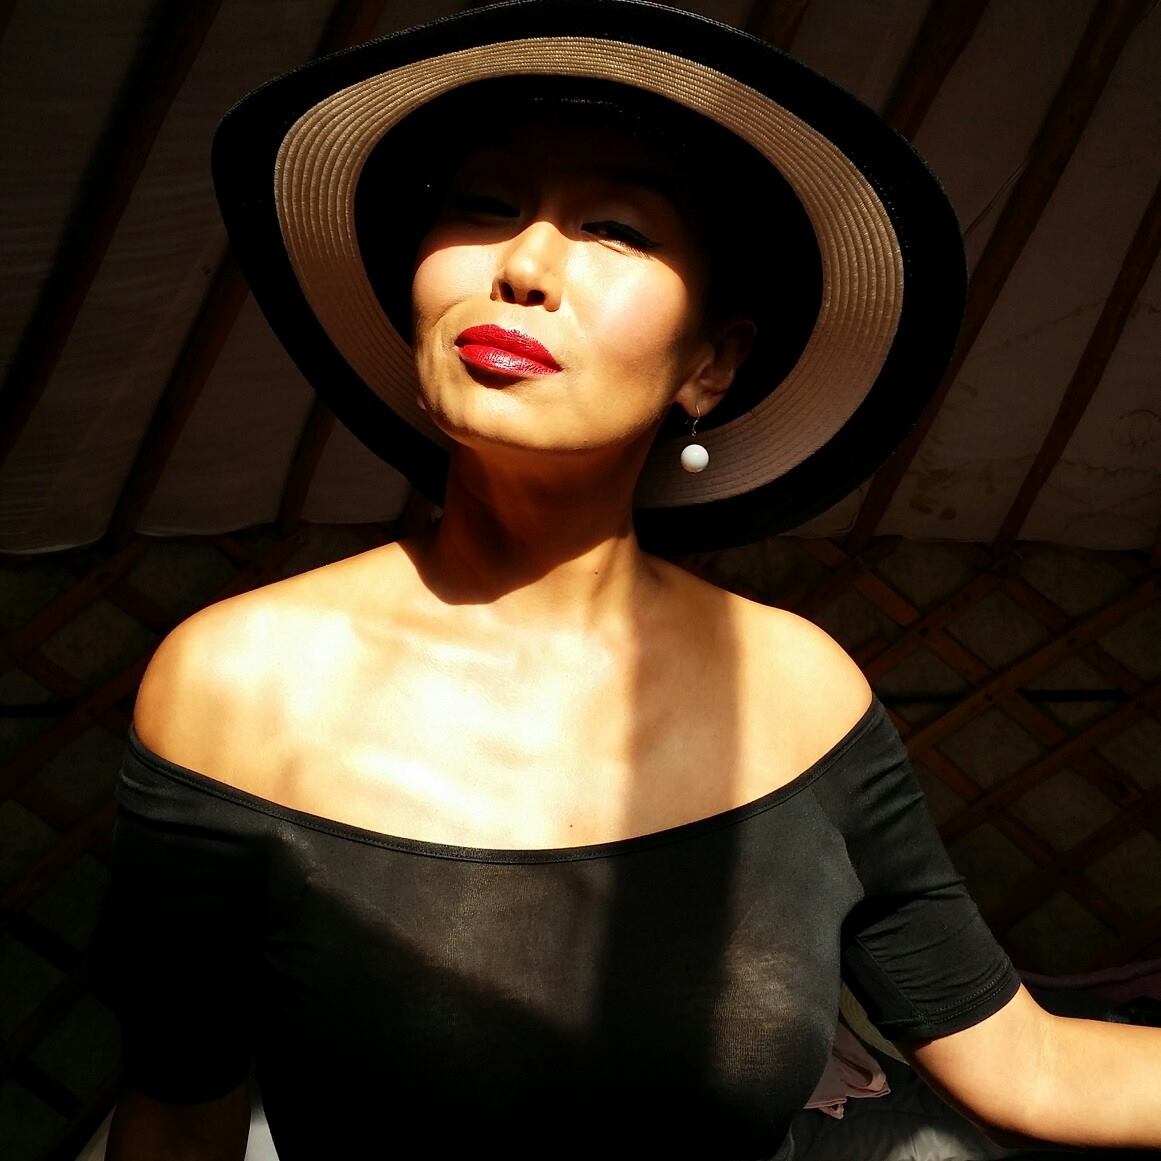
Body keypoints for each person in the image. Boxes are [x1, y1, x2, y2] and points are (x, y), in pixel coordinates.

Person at [94, 2, 1161, 1158]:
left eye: (615, 228)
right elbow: (181, 1115)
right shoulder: (238, 686)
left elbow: (1029, 1064)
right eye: (483, 206)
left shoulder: (793, 692)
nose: (524, 267)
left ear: (713, 365)